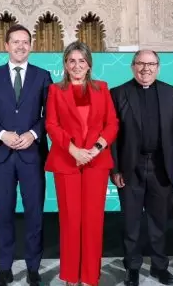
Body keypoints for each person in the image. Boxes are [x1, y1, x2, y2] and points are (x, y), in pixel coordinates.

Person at [0, 24, 53, 286]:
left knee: (34, 215)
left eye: (25, 42)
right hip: (2, 156)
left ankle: (33, 268)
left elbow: (49, 115)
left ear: (31, 46)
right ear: (6, 46)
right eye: (15, 42)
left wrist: (33, 133)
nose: (21, 46)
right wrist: (2, 135)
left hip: (32, 155)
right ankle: (6, 268)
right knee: (4, 215)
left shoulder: (43, 76)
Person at [44, 41, 119, 286]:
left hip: (96, 162)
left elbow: (112, 124)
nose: (77, 66)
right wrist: (74, 150)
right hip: (67, 160)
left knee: (93, 221)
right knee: (69, 220)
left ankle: (89, 276)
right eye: (72, 61)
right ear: (65, 65)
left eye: (82, 61)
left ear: (89, 65)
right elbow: (51, 125)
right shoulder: (55, 90)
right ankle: (71, 276)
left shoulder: (102, 88)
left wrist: (96, 148)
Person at [110, 50, 173, 286]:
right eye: (140, 63)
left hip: (160, 166)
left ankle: (160, 267)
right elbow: (112, 136)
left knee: (158, 221)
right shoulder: (118, 93)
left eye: (151, 64)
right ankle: (132, 267)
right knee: (130, 221)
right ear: (132, 67)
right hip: (130, 167)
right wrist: (115, 169)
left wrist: (171, 166)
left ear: (158, 68)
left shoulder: (171, 93)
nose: (145, 69)